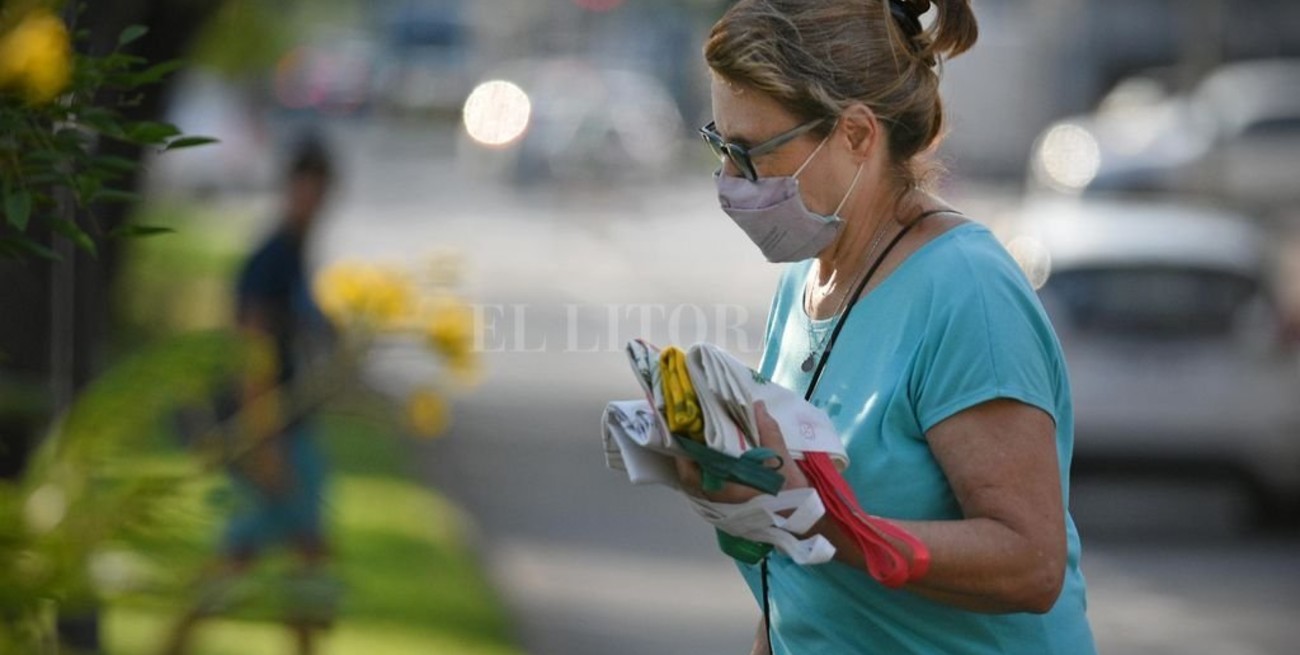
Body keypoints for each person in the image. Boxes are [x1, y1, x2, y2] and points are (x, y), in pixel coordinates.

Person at [673, 1, 1098, 653]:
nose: (730, 179)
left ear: (857, 135)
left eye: (752, 151)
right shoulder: (811, 275)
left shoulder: (965, 290)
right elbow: (797, 590)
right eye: (721, 146)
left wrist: (811, 513)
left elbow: (1029, 562)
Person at [162, 132, 338, 655]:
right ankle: (173, 644)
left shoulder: (296, 254)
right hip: (271, 429)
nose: (313, 202)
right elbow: (250, 355)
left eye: (321, 191)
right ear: (290, 188)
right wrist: (264, 443)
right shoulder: (271, 259)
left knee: (307, 553)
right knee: (246, 555)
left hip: (290, 427)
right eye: (306, 189)